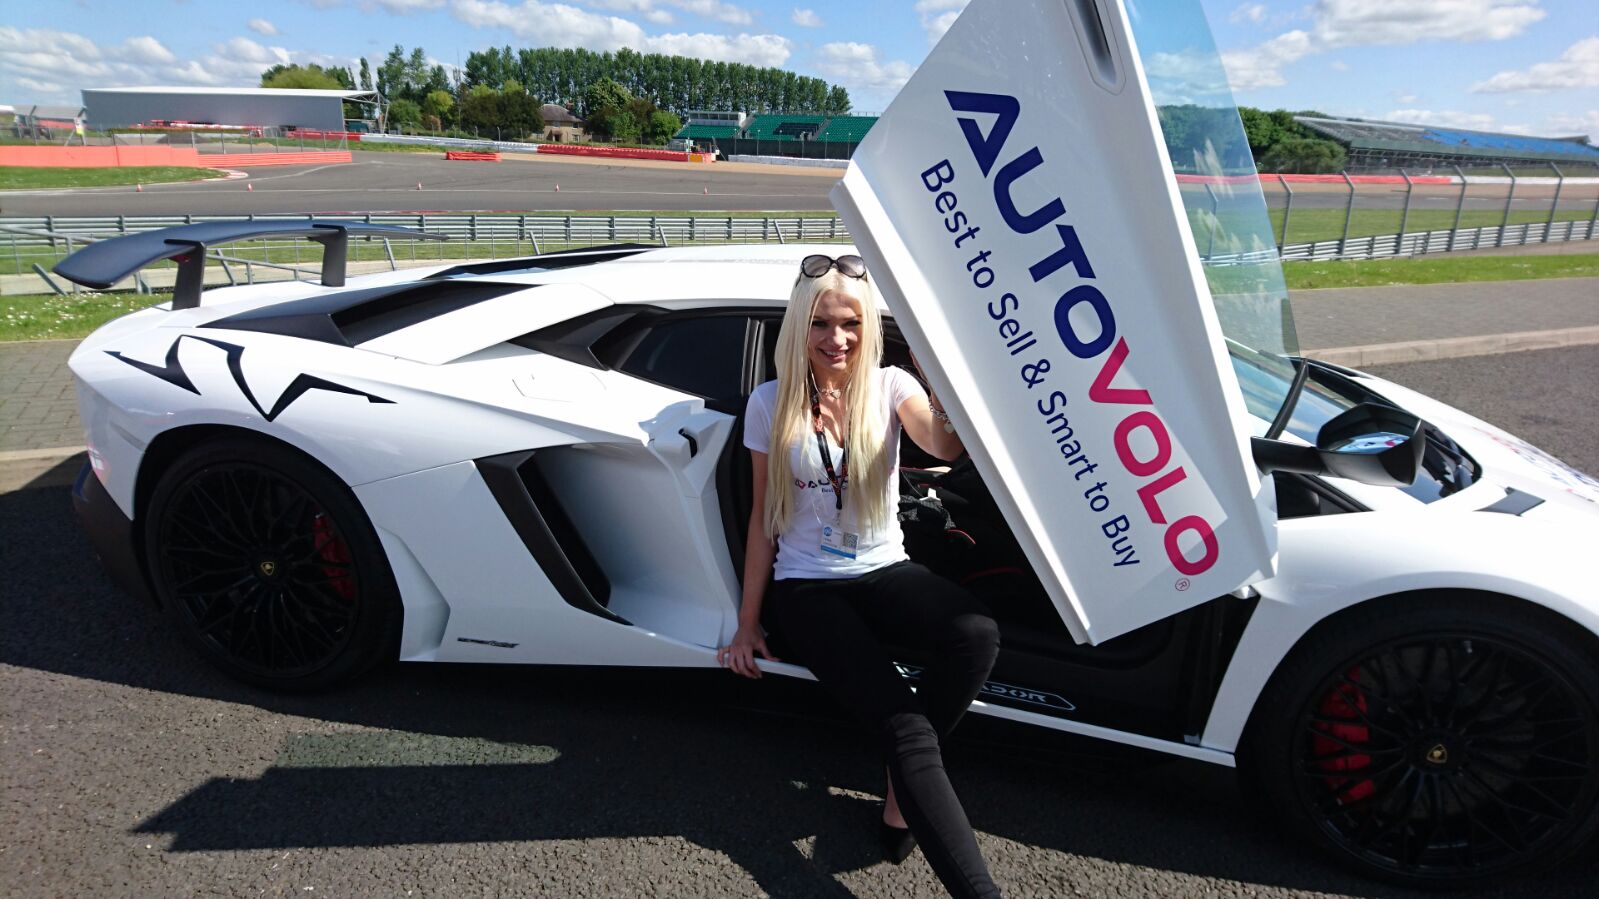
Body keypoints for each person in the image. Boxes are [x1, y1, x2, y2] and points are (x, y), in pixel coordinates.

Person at [717, 253, 1003, 898]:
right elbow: (765, 519)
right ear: (799, 327)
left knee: (977, 631)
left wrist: (935, 370)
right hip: (807, 587)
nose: (836, 339)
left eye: (850, 322)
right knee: (907, 727)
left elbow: (943, 447)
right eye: (820, 323)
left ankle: (904, 784)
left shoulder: (891, 385)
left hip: (883, 567)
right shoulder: (770, 403)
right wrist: (746, 622)